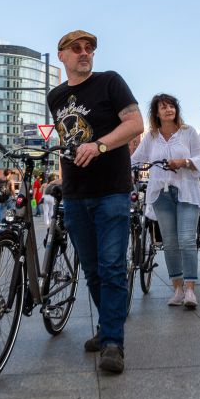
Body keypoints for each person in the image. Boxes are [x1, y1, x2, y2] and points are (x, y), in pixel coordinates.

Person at [48, 30, 143, 374]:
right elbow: (65, 141)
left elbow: (135, 123)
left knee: (113, 267)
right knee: (91, 271)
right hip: (76, 195)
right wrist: (61, 177)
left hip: (112, 190)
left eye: (89, 48)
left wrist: (100, 145)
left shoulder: (110, 82)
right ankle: (108, 326)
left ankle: (113, 342)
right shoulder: (55, 96)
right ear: (62, 55)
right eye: (76, 48)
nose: (84, 52)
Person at [131, 94, 200, 308]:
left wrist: (184, 161)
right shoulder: (152, 136)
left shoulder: (188, 132)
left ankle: (190, 289)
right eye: (163, 107)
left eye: (172, 106)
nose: (168, 110)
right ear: (156, 112)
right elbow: (135, 160)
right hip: (160, 194)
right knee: (170, 243)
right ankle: (177, 288)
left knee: (186, 239)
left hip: (186, 191)